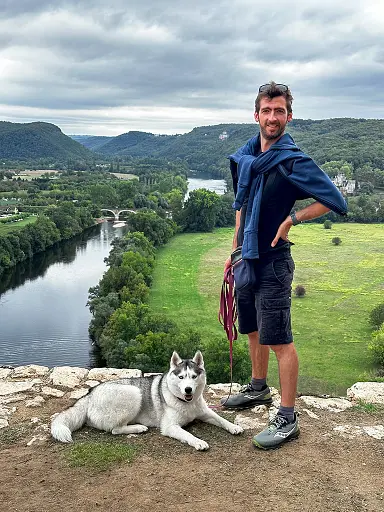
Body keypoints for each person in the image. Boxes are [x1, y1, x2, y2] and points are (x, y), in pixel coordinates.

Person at [221, 82, 347, 449]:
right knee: (253, 328)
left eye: (279, 111)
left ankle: (288, 418)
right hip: (246, 257)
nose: (272, 117)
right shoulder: (246, 158)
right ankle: (258, 389)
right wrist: (234, 250)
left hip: (274, 261)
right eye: (267, 110)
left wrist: (294, 218)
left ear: (288, 117)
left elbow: (334, 199)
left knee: (280, 339)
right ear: (256, 115)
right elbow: (241, 207)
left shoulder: (292, 160)